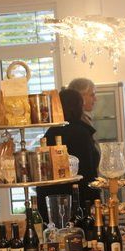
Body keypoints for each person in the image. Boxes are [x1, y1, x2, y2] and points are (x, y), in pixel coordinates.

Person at [36, 88, 100, 218]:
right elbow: (88, 170)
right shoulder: (81, 133)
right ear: (78, 107)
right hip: (78, 198)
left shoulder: (51, 132)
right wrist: (95, 199)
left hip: (52, 199)